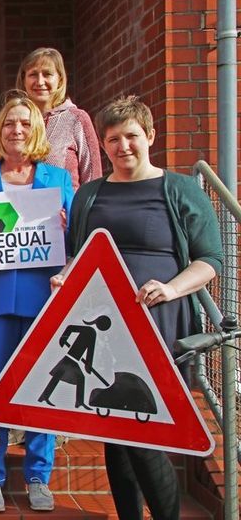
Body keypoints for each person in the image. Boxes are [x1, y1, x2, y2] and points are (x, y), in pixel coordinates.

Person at [52, 95, 222, 520]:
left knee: (143, 432)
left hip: (160, 323)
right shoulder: (90, 193)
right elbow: (81, 254)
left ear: (149, 136)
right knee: (114, 428)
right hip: (105, 327)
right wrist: (67, 276)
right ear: (104, 145)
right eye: (113, 139)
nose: (123, 146)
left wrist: (170, 288)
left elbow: (210, 261)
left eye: (131, 136)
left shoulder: (180, 189)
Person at [0, 93, 73, 513]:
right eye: (10, 123)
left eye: (26, 124)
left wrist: (67, 225)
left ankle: (37, 475)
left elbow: (77, 239)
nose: (18, 130)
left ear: (38, 130)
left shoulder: (57, 180)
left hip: (43, 298)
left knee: (42, 385)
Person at [16, 47, 102, 191]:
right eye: (33, 74)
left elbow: (93, 178)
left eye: (47, 74)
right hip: (19, 211)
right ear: (23, 79)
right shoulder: (14, 122)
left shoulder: (76, 119)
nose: (40, 81)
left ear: (60, 79)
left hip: (68, 211)